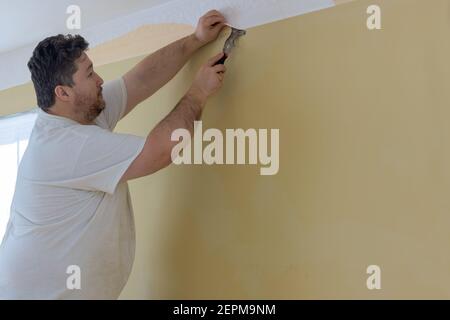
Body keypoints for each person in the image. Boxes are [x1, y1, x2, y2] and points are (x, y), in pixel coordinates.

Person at [0, 10, 227, 299]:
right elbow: (160, 151)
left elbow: (141, 80)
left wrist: (195, 39)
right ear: (63, 92)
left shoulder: (83, 113)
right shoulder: (65, 146)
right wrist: (197, 93)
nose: (99, 80)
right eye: (90, 74)